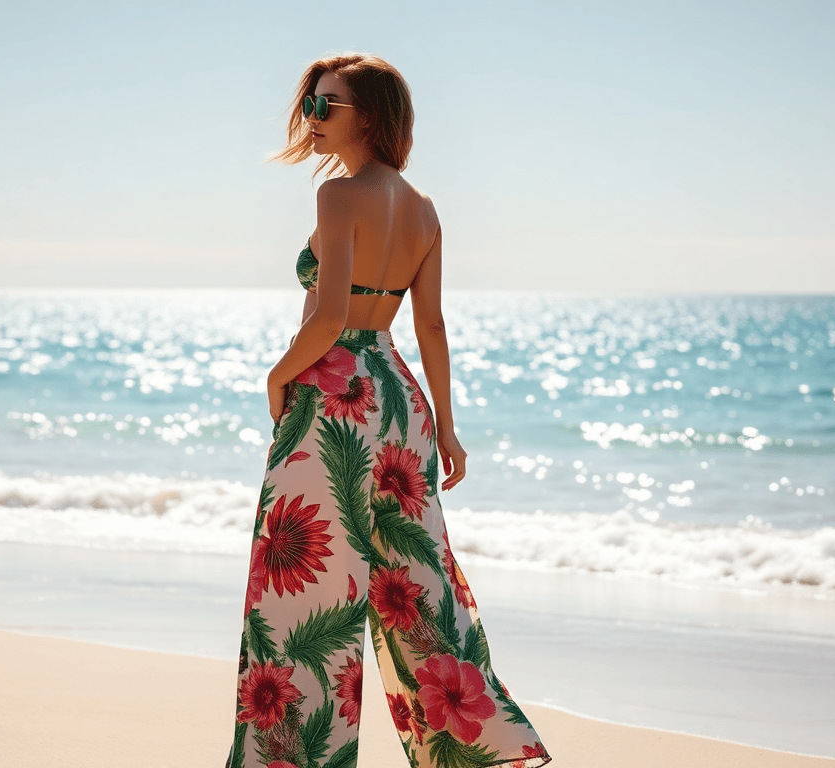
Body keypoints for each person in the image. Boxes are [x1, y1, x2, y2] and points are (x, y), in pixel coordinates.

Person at [225, 53, 551, 768]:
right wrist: (449, 426)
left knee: (303, 593)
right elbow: (429, 326)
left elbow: (329, 316)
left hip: (335, 395)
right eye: (309, 103)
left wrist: (277, 376)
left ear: (367, 115)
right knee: (415, 591)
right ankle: (478, 752)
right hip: (400, 399)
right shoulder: (426, 210)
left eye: (325, 105)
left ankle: (293, 758)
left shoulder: (339, 198)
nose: (310, 117)